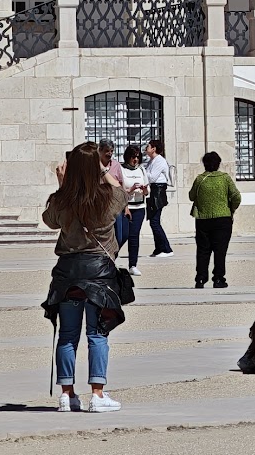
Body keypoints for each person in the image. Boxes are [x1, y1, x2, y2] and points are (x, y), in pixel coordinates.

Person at [41, 143, 129, 412]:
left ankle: (67, 394)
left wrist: (62, 186)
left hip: (68, 272)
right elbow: (122, 193)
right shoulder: (107, 197)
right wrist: (102, 170)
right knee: (97, 333)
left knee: (67, 335)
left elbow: (50, 221)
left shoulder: (62, 199)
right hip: (99, 272)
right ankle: (98, 395)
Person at [188, 150, 241, 288]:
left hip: (203, 219)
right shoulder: (225, 178)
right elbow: (236, 196)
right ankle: (218, 279)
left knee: (203, 250)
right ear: (218, 163)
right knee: (220, 250)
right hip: (223, 219)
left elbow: (191, 196)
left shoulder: (200, 179)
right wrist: (231, 208)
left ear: (204, 164)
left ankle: (200, 279)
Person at [116, 143, 149, 276]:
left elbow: (147, 192)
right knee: (122, 235)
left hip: (139, 207)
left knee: (134, 236)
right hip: (125, 207)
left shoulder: (141, 170)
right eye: (133, 157)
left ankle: (133, 265)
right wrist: (131, 190)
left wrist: (144, 190)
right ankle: (110, 259)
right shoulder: (121, 169)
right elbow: (119, 190)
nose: (135, 160)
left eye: (137, 157)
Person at [141, 140, 175, 260]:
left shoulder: (159, 160)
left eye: (148, 146)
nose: (146, 148)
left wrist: (142, 172)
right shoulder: (152, 161)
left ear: (154, 148)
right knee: (153, 221)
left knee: (155, 222)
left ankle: (167, 249)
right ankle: (159, 248)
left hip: (158, 191)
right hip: (154, 191)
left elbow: (152, 177)